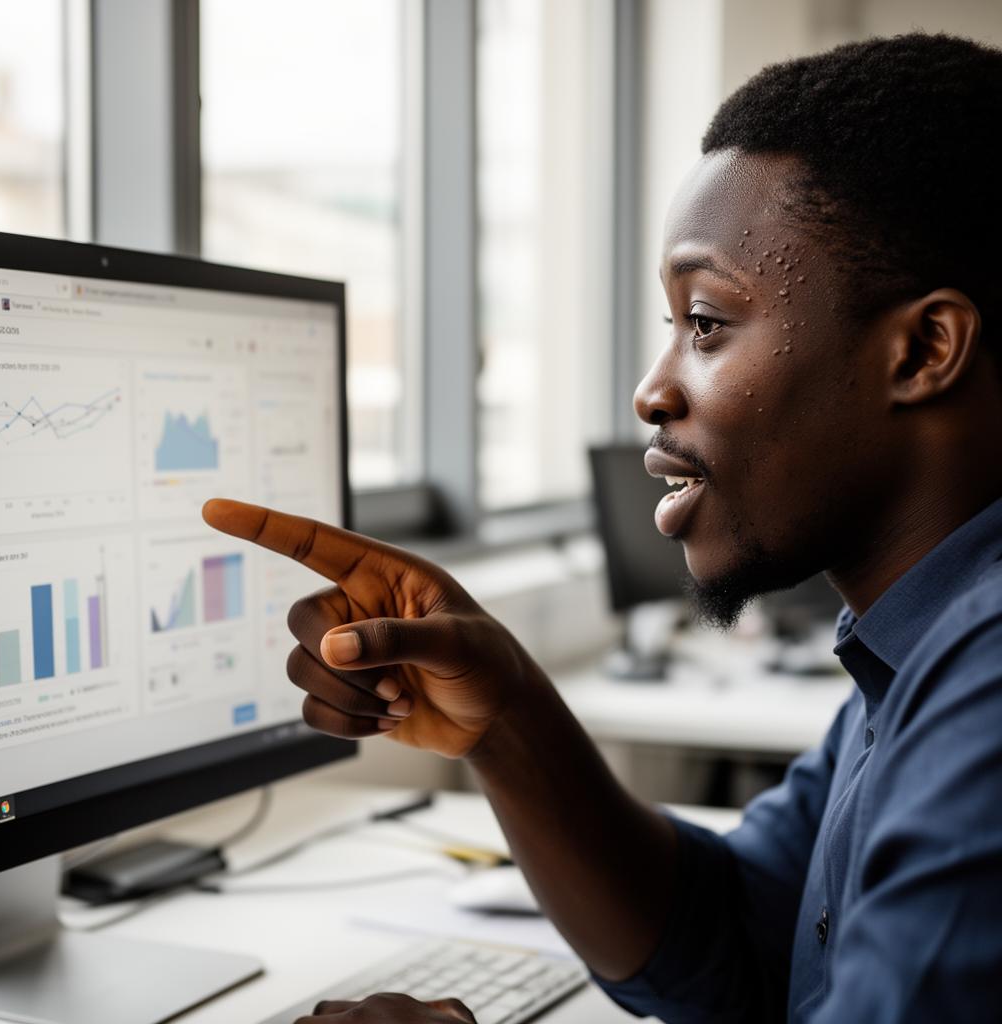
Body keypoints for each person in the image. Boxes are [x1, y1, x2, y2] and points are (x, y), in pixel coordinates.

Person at [204, 32, 1002, 1024]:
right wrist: (507, 716)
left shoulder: (988, 685)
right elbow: (736, 940)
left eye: (705, 322)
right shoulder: (919, 650)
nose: (652, 389)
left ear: (922, 349)